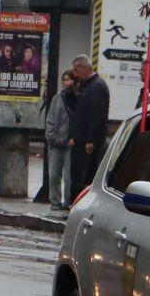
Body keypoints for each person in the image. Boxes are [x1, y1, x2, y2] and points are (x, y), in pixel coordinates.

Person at [67, 54, 112, 198]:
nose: (74, 74)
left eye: (76, 70)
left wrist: (91, 140)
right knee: (76, 176)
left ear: (83, 67)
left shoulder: (97, 86)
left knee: (84, 177)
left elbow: (97, 115)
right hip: (80, 141)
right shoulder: (85, 86)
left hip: (87, 144)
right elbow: (77, 110)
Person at [36, 70, 75, 208]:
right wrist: (52, 137)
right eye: (64, 79)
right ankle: (55, 202)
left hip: (71, 143)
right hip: (55, 143)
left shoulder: (79, 98)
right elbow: (50, 120)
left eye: (69, 79)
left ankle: (68, 201)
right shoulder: (57, 99)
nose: (66, 82)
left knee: (69, 176)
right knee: (54, 174)